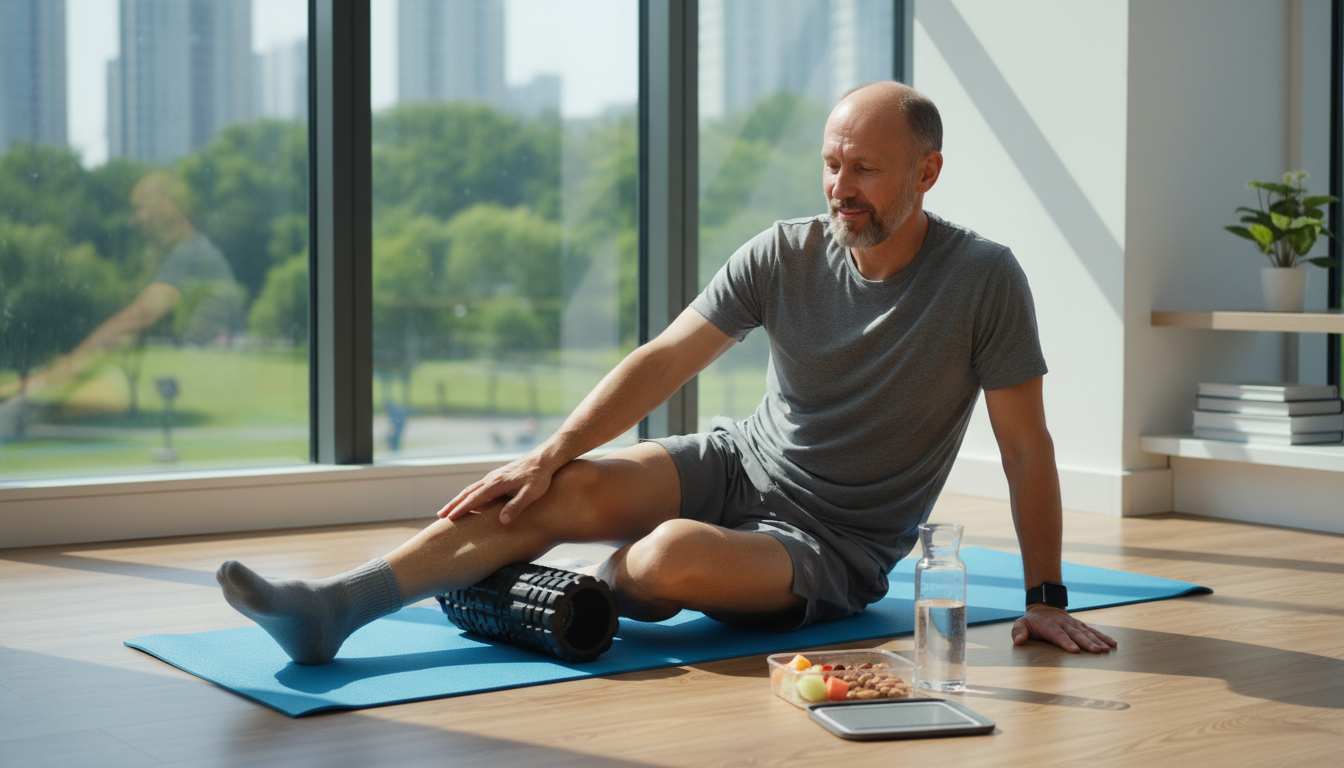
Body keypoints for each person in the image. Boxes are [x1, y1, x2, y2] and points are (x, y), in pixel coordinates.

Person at [216, 81, 1118, 665]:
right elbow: (665, 358)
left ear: (928, 172)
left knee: (663, 558)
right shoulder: (786, 252)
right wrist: (549, 452)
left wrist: (1044, 598)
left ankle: (558, 589)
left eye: (867, 170)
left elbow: (1025, 448)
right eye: (831, 164)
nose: (841, 186)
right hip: (739, 463)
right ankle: (333, 607)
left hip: (833, 542)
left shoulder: (982, 280)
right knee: (543, 492)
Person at [0, 170, 240, 438]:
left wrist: (51, 378)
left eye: (141, 208)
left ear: (167, 206)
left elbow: (139, 317)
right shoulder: (188, 254)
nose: (136, 220)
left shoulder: (192, 255)